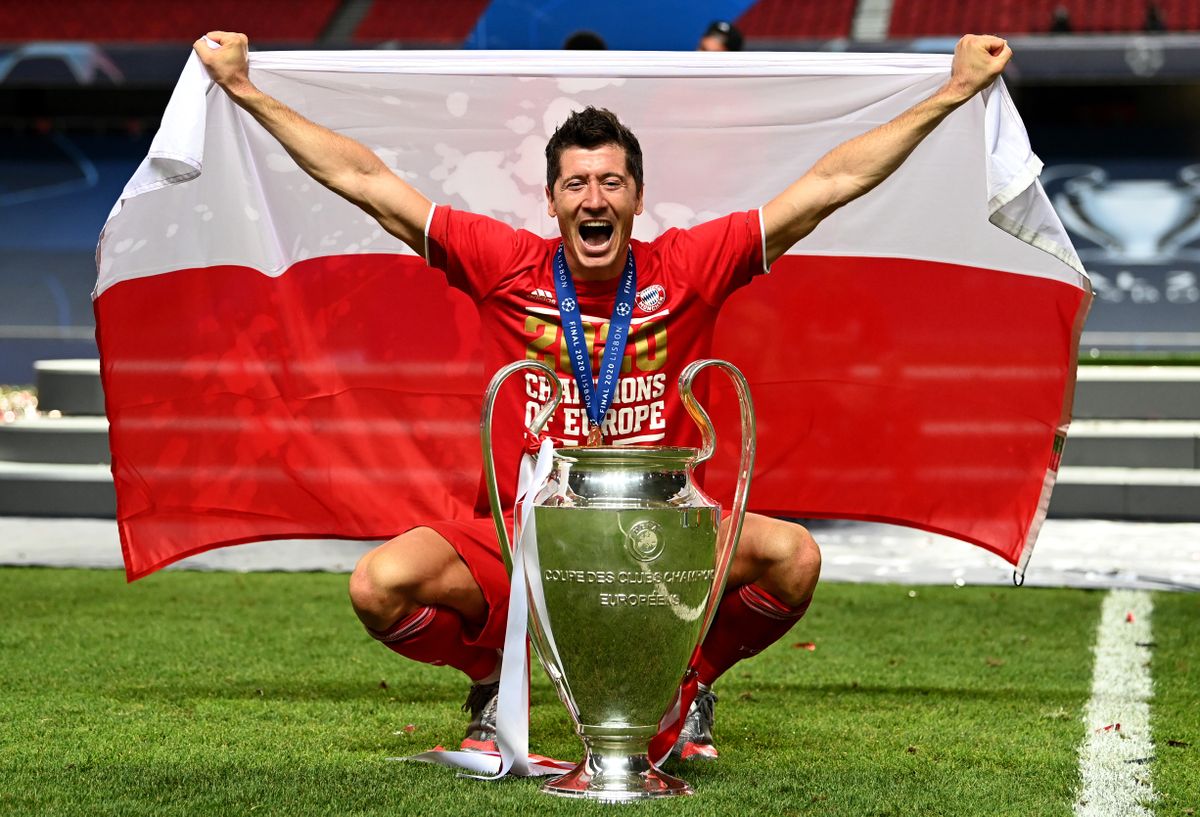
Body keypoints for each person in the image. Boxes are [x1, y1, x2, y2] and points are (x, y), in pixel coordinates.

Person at [194, 32, 1012, 761]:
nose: (595, 198)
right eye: (578, 183)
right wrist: (244, 91)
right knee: (378, 584)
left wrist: (951, 92)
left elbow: (830, 182)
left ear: (636, 198)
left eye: (612, 182)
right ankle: (492, 669)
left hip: (657, 532)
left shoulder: (689, 266)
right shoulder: (504, 262)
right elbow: (365, 179)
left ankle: (684, 677)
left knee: (793, 557)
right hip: (535, 532)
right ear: (551, 201)